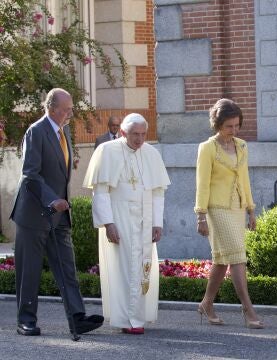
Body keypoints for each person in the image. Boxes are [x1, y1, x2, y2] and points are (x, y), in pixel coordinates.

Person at [11, 88, 104, 336]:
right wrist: (52, 200)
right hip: (33, 214)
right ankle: (26, 320)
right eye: (67, 109)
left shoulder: (65, 131)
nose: (71, 112)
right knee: (29, 271)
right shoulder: (36, 131)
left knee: (67, 268)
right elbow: (30, 174)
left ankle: (77, 318)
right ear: (52, 109)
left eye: (71, 108)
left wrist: (60, 203)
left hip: (59, 216)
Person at [83, 113, 170, 334]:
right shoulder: (107, 151)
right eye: (134, 134)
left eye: (143, 134)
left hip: (144, 219)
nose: (139, 139)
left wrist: (157, 223)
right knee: (123, 267)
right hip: (119, 217)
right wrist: (108, 223)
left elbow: (158, 192)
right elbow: (100, 191)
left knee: (142, 267)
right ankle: (128, 319)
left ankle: (138, 316)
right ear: (123, 132)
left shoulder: (151, 153)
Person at [194, 98, 263, 329]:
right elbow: (202, 184)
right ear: (217, 125)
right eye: (228, 126)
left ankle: (206, 303)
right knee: (237, 257)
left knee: (222, 261)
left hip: (237, 207)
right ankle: (248, 309)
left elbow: (244, 179)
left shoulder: (242, 145)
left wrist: (251, 210)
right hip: (216, 208)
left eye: (236, 125)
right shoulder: (207, 148)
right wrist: (200, 215)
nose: (233, 131)